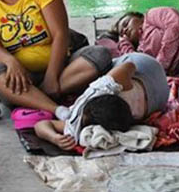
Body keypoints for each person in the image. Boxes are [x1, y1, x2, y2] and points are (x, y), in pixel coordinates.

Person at [34, 53, 169, 150]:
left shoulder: (104, 92)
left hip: (153, 77)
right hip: (153, 78)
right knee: (108, 68)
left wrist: (54, 138)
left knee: (105, 67)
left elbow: (40, 125)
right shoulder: (110, 85)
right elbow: (130, 65)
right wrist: (54, 138)